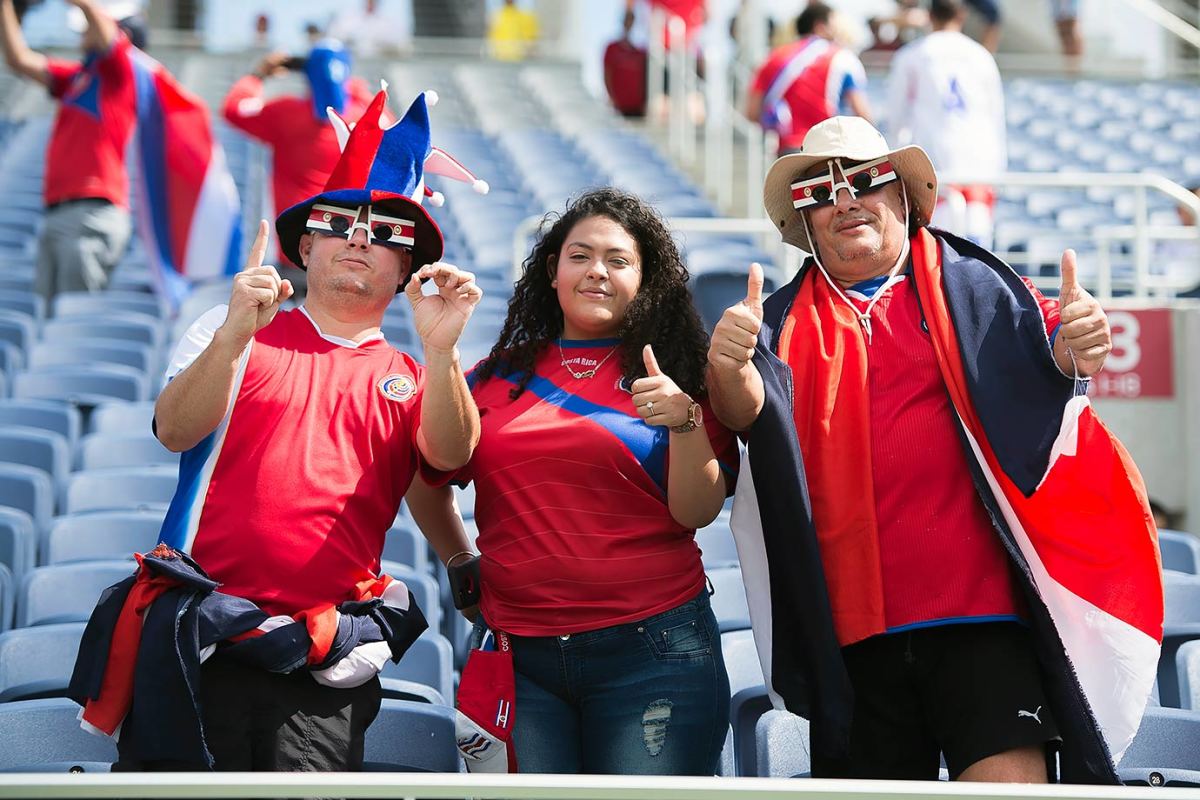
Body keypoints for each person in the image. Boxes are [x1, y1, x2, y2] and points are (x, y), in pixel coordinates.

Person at [708, 116, 1162, 783]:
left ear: (903, 196)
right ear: (802, 222)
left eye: (863, 180)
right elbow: (739, 418)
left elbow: (1054, 357)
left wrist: (1070, 352)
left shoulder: (983, 287)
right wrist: (728, 373)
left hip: (979, 616)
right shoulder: (770, 326)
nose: (843, 201)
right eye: (818, 191)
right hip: (850, 636)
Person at [144, 88, 483, 771]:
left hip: (322, 657)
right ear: (305, 243)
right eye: (340, 221)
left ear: (407, 268)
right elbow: (174, 430)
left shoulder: (416, 374)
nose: (360, 236)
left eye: (387, 231)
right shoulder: (229, 326)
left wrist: (443, 352)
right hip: (198, 636)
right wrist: (237, 333)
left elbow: (450, 456)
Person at [445, 188, 738, 774]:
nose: (596, 271)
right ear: (552, 270)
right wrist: (458, 557)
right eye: (579, 256)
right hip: (518, 658)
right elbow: (427, 471)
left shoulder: (682, 375)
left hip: (656, 651)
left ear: (644, 278)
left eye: (618, 260)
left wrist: (684, 421)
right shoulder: (493, 377)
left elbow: (697, 512)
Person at [0, 0, 136, 300]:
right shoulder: (76, 77)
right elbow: (19, 59)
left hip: (90, 211)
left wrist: (85, 4)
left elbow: (108, 37)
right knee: (51, 326)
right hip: (61, 212)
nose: (83, 31)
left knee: (74, 318)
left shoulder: (120, 75)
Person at [222, 40, 379, 288]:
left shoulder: (286, 113)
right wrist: (352, 85)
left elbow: (234, 108)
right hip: (349, 255)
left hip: (297, 255)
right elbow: (385, 117)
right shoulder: (365, 118)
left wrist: (258, 75)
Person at [887, 0, 1005, 248]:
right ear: (961, 15)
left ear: (930, 16)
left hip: (934, 160)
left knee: (939, 249)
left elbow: (897, 117)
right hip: (979, 164)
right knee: (979, 248)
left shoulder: (913, 55)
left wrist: (895, 164)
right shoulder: (981, 55)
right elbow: (996, 116)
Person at [746, 3, 871, 156]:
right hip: (828, 149)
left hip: (788, 153)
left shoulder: (772, 58)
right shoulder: (843, 58)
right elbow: (862, 113)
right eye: (834, 24)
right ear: (820, 26)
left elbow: (752, 112)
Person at [603, 8, 648, 117]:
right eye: (627, 20)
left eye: (632, 20)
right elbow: (607, 73)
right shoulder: (612, 48)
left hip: (638, 108)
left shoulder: (641, 52)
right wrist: (611, 97)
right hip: (619, 107)